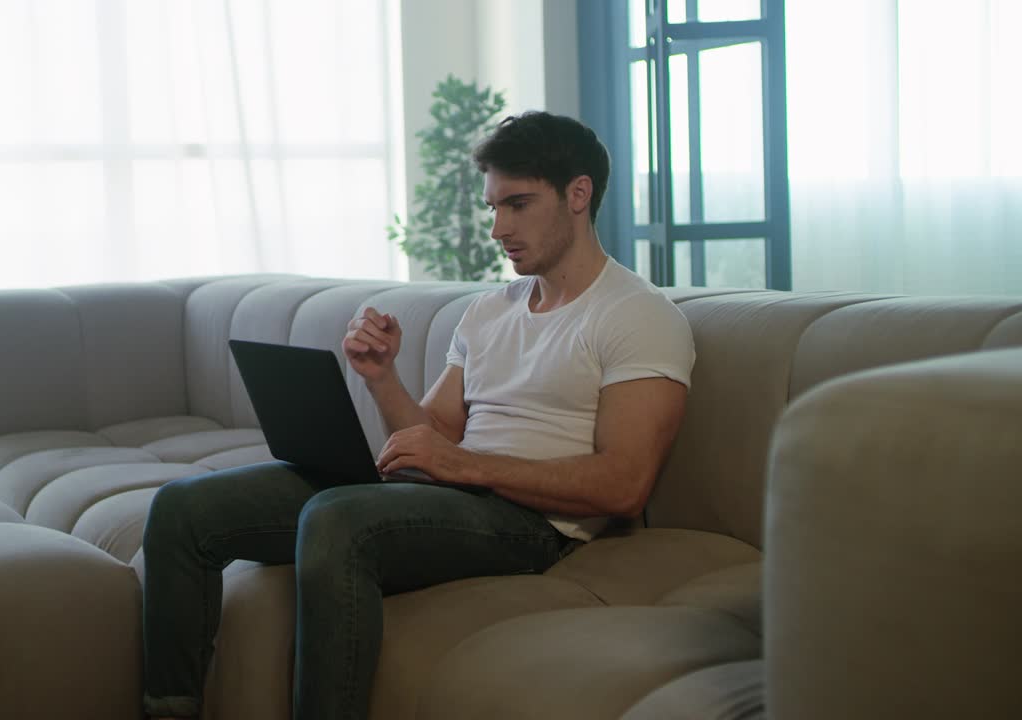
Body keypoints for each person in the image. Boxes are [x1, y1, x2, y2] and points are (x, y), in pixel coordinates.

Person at [141, 111, 695, 720]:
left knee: (337, 520)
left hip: (536, 525)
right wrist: (381, 376)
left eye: (517, 204)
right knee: (183, 509)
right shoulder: (489, 311)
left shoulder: (637, 315)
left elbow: (623, 483)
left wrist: (460, 464)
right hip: (456, 497)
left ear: (578, 194)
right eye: (492, 208)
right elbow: (429, 439)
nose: (497, 227)